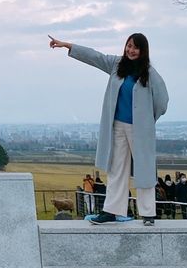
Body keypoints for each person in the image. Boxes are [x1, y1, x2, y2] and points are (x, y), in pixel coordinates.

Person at [49, 33, 168, 226]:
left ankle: (148, 214)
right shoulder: (116, 65)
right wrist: (67, 46)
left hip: (140, 130)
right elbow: (95, 57)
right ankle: (111, 211)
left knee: (144, 171)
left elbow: (162, 102)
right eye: (129, 46)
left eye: (135, 47)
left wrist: (147, 120)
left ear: (143, 50)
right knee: (116, 169)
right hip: (117, 126)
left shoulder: (149, 73)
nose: (131, 50)